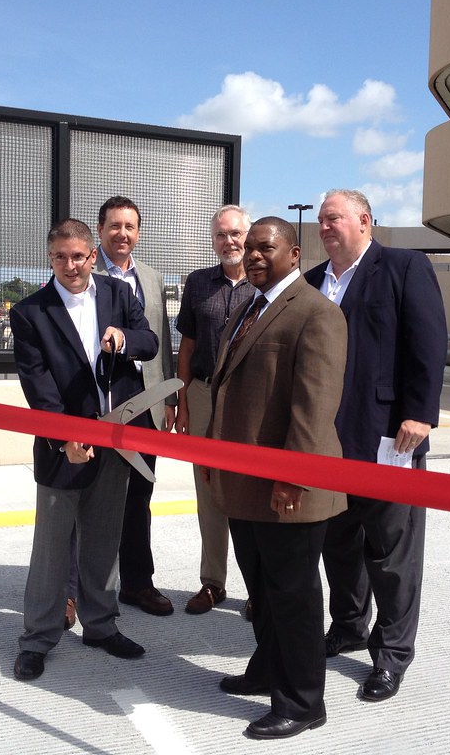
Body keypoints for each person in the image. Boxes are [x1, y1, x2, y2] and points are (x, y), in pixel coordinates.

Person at [204, 216, 347, 740]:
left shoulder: (316, 314)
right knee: (261, 591)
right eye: (252, 248)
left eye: (268, 248)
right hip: (245, 485)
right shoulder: (250, 305)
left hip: (289, 489)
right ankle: (267, 669)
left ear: (295, 252)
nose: (256, 256)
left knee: (294, 595)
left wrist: (294, 477)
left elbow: (313, 409)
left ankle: (303, 701)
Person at [304, 189, 447, 702]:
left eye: (333, 218)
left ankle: (391, 655)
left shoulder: (404, 267)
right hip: (328, 442)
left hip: (390, 436)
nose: (324, 227)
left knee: (392, 553)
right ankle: (347, 625)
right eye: (321, 219)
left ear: (364, 220)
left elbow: (428, 341)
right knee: (337, 543)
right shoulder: (312, 282)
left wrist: (420, 413)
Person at [9, 218, 159, 682]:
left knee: (103, 542)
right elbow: (39, 385)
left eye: (78, 256)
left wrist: (124, 339)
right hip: (64, 446)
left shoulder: (118, 295)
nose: (70, 265)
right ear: (49, 258)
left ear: (93, 255)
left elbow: (150, 344)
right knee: (52, 550)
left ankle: (99, 625)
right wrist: (63, 438)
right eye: (60, 257)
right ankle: (38, 638)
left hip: (115, 441)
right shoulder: (30, 312)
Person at [93, 195, 177, 616]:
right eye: (114, 226)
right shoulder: (82, 275)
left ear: (138, 232)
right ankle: (82, 588)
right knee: (91, 499)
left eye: (130, 226)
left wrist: (171, 400)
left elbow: (161, 343)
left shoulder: (151, 276)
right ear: (100, 230)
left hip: (148, 406)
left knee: (139, 498)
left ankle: (137, 583)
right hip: (101, 402)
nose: (122, 233)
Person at [174, 204, 253, 615]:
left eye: (235, 233)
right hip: (203, 394)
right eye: (221, 235)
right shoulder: (198, 284)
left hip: (248, 401)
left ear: (249, 235)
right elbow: (186, 347)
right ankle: (212, 583)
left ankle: (259, 588)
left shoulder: (265, 285)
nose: (229, 242)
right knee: (208, 492)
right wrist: (183, 402)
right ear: (213, 240)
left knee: (250, 491)